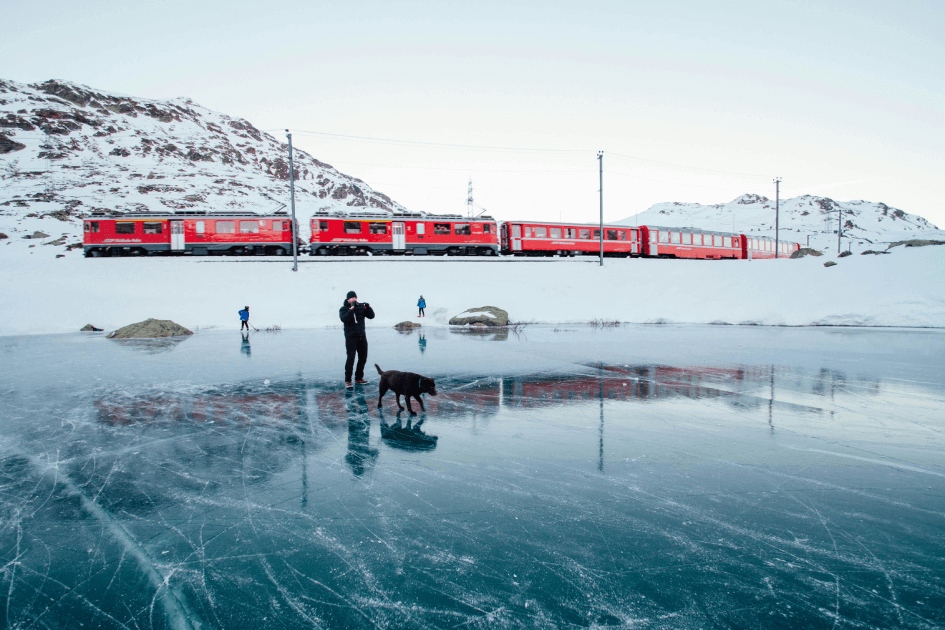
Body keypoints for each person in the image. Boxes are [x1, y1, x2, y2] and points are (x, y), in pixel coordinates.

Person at [339, 290, 375, 388]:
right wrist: (351, 310)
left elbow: (371, 316)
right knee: (351, 358)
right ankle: (348, 380)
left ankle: (358, 378)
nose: (354, 299)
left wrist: (368, 308)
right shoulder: (343, 308)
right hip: (351, 337)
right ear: (348, 299)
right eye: (352, 298)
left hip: (362, 336)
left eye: (355, 297)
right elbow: (344, 319)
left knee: (363, 358)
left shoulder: (360, 307)